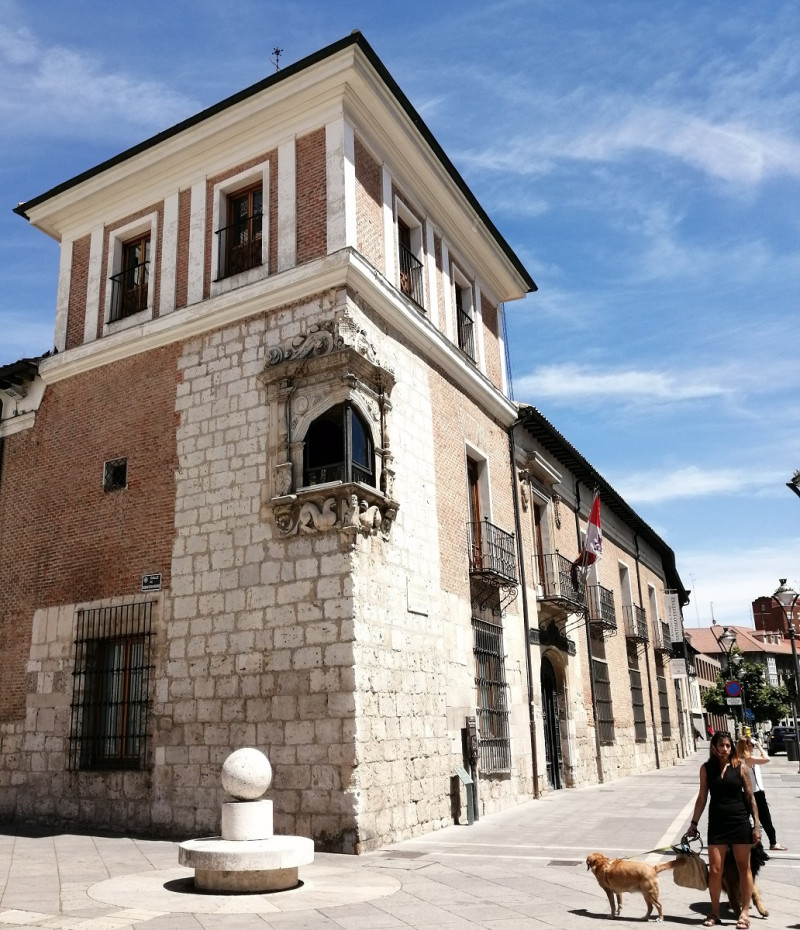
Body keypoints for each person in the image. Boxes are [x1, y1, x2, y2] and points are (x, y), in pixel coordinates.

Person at [686, 730, 760, 928]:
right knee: (716, 870)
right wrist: (693, 824)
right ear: (714, 746)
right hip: (717, 823)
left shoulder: (741, 768)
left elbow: (751, 797)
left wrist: (757, 825)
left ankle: (744, 913)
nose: (725, 749)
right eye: (721, 745)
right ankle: (715, 912)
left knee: (744, 868)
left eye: (728, 746)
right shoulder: (706, 769)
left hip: (739, 822)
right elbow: (702, 798)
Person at [736, 734, 787, 850]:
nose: (753, 746)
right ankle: (773, 842)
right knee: (765, 818)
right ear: (745, 746)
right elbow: (767, 759)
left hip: (746, 793)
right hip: (756, 793)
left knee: (745, 819)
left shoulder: (741, 758)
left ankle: (740, 841)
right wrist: (759, 746)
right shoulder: (749, 759)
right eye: (751, 745)